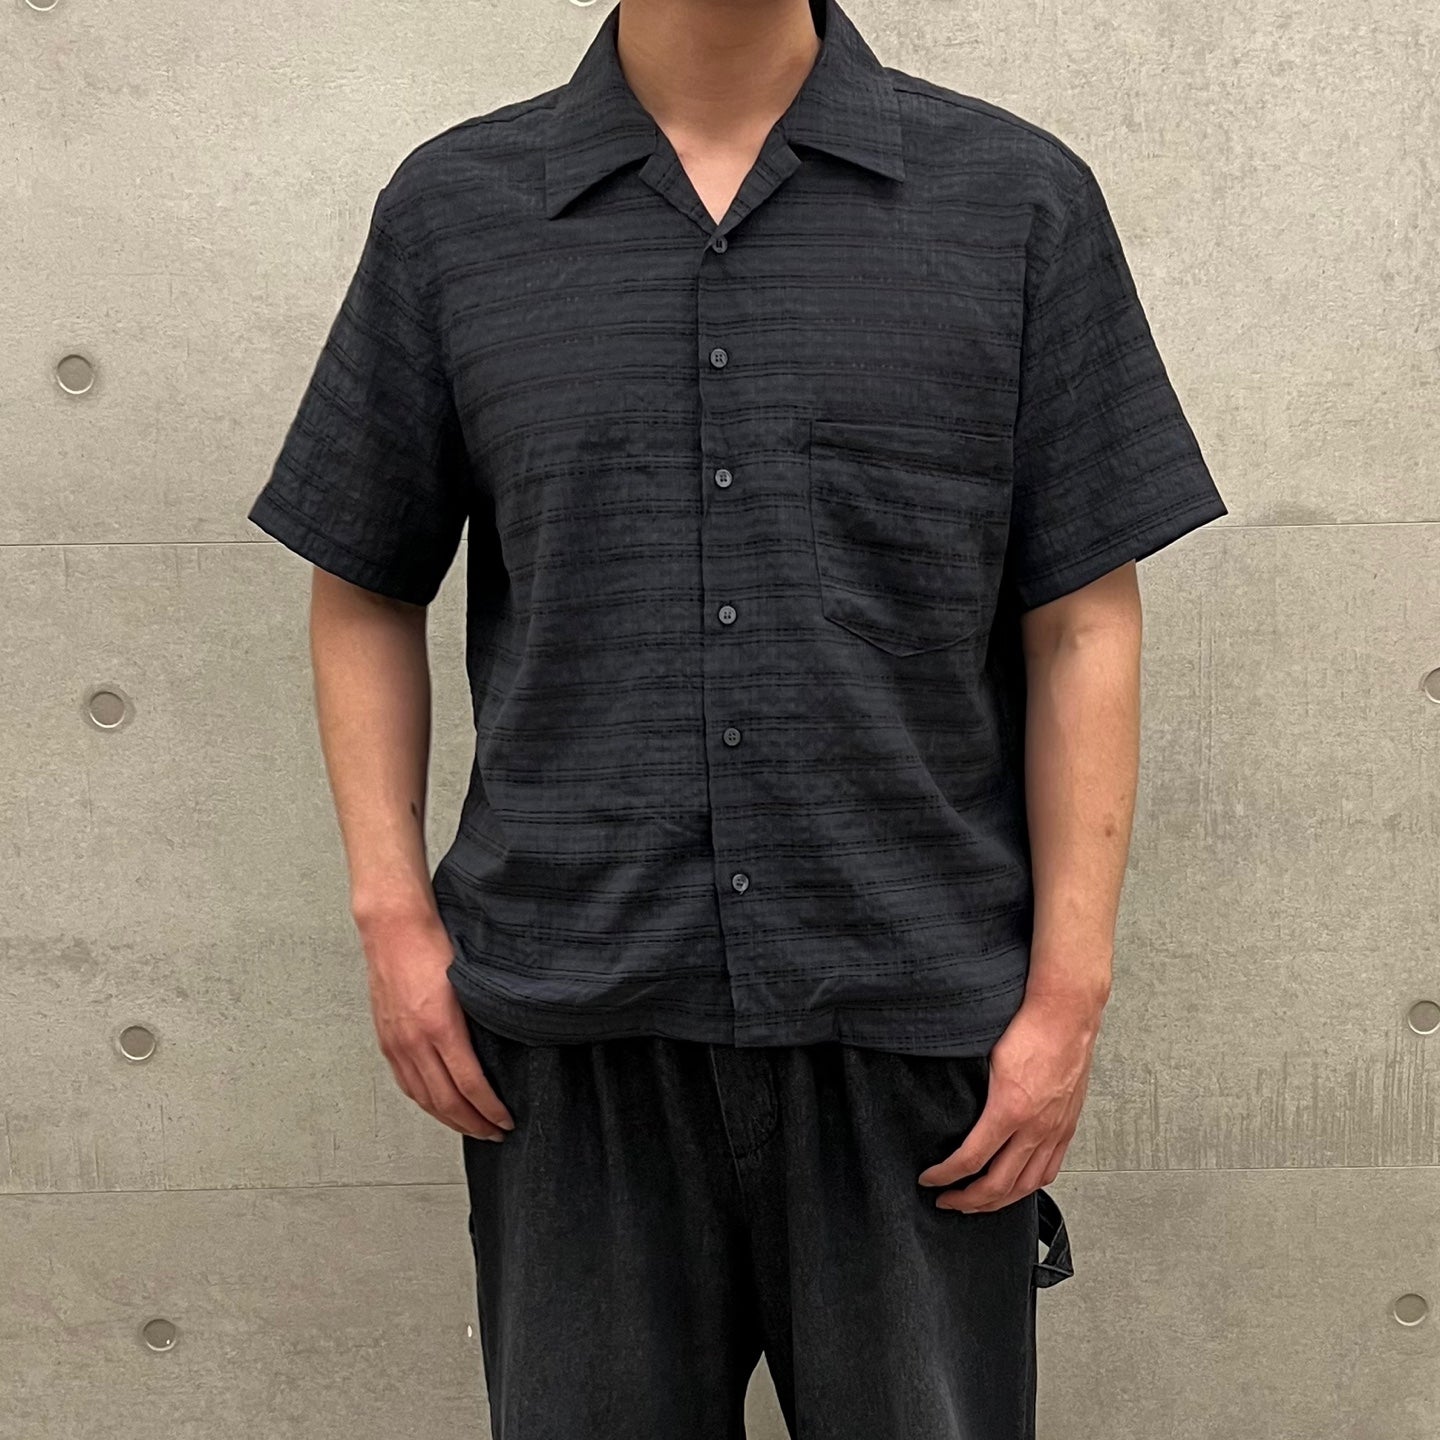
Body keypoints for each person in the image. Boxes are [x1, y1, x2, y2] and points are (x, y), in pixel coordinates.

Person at [246, 0, 1227, 1434]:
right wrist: (393, 918)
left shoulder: (1015, 202)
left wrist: (1069, 994)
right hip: (571, 1031)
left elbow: (1081, 616)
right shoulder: (455, 215)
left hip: (915, 1034)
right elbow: (364, 582)